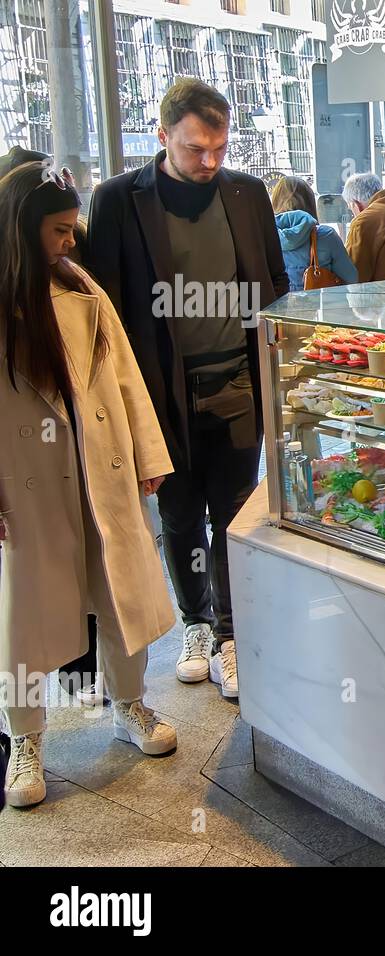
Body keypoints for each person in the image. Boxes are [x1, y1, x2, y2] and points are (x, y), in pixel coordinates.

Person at [84, 78, 290, 699]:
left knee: (233, 511)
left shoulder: (248, 194)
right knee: (176, 514)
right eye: (197, 149)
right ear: (163, 135)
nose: (210, 162)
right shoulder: (119, 200)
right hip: (158, 393)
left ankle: (230, 631)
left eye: (220, 148)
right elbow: (105, 307)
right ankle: (195, 621)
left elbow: (274, 284)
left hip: (236, 384)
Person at [0, 161, 179, 808]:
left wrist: (147, 455)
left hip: (100, 468)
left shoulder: (84, 291)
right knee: (26, 616)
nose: (71, 241)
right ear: (22, 229)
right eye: (58, 229)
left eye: (72, 228)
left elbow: (125, 376)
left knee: (118, 594)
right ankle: (25, 739)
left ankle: (130, 706)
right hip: (28, 482)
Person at [271, 175, 358, 292]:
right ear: (310, 201)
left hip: (279, 308)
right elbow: (351, 279)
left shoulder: (264, 237)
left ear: (275, 202)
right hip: (321, 308)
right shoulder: (326, 235)